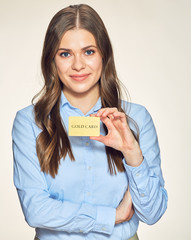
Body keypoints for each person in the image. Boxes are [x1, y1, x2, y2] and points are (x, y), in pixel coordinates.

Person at [12, 4, 168, 240]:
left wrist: (131, 153)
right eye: (65, 54)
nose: (78, 65)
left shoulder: (136, 119)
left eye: (88, 52)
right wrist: (112, 216)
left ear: (104, 54)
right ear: (52, 60)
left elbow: (153, 213)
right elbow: (36, 210)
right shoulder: (30, 122)